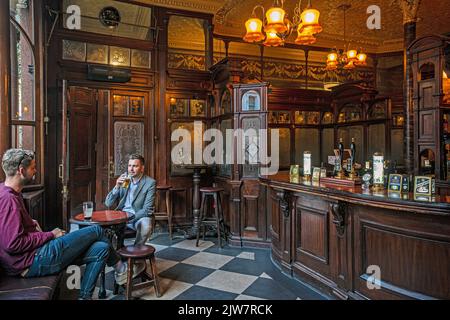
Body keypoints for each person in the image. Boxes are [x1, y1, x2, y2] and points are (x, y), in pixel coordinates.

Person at [0, 149, 134, 299]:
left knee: (101, 248)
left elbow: (10, 230)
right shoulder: (8, 200)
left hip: (34, 256)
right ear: (21, 170)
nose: (35, 170)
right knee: (96, 229)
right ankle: (119, 266)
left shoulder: (7, 193)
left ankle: (85, 297)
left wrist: (29, 223)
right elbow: (12, 244)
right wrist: (50, 235)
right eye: (32, 167)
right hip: (32, 261)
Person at [105, 154, 156, 245]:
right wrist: (117, 186)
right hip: (121, 215)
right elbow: (108, 203)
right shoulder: (126, 180)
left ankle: (136, 252)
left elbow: (147, 209)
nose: (131, 169)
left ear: (142, 168)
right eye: (129, 166)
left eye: (135, 166)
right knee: (103, 229)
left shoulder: (149, 183)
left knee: (146, 226)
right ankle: (115, 252)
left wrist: (129, 219)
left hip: (138, 216)